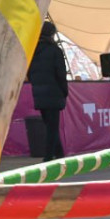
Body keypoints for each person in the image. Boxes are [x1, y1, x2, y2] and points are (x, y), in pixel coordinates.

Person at [27, 20, 69, 161]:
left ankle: (60, 153)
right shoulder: (55, 51)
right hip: (54, 92)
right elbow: (61, 74)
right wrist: (64, 91)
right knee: (52, 127)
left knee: (49, 124)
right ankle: (48, 157)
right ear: (52, 34)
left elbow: (30, 73)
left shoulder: (33, 52)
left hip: (39, 93)